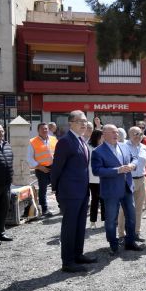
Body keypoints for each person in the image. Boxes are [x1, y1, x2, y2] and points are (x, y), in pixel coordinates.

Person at [50, 110, 97, 273]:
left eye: (85, 121)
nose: (84, 124)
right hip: (69, 193)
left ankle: (78, 254)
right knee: (69, 227)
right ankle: (68, 262)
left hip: (83, 191)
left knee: (80, 225)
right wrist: (55, 189)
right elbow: (56, 168)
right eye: (80, 121)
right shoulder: (65, 142)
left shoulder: (82, 141)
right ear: (71, 123)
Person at [91, 124, 142, 255]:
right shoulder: (98, 151)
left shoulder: (124, 146)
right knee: (111, 220)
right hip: (111, 190)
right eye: (113, 132)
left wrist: (132, 165)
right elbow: (97, 171)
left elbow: (135, 158)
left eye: (117, 132)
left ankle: (130, 242)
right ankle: (113, 245)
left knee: (131, 216)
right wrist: (117, 170)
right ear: (104, 134)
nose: (116, 135)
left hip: (126, 188)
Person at [118, 126, 146, 242]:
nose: (138, 136)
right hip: (128, 179)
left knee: (139, 208)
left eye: (140, 134)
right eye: (135, 134)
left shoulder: (144, 147)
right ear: (129, 135)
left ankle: (136, 232)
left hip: (141, 180)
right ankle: (121, 234)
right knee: (124, 209)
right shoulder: (123, 146)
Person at [27, 122, 58, 216]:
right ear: (38, 131)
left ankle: (62, 206)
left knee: (58, 187)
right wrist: (40, 167)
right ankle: (44, 209)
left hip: (54, 168)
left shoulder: (54, 139)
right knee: (43, 190)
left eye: (46, 129)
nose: (44, 130)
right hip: (41, 169)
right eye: (42, 129)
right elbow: (29, 158)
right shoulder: (32, 141)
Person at [0, 123, 14, 244]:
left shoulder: (7, 145)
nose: (1, 133)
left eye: (2, 131)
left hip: (6, 184)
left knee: (4, 208)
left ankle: (1, 232)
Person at [87, 130, 105, 229]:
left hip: (103, 177)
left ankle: (104, 219)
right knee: (95, 199)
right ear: (98, 137)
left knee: (104, 199)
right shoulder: (88, 146)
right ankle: (93, 221)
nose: (104, 138)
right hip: (93, 177)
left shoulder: (104, 146)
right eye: (102, 136)